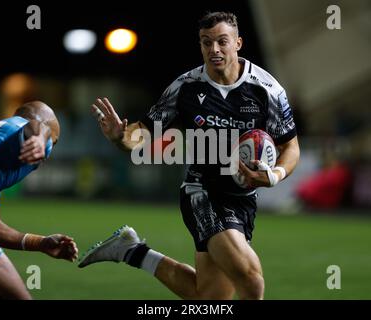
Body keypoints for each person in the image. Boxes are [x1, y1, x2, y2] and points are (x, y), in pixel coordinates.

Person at [79, 12, 300, 300]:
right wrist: (121, 136)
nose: (214, 50)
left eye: (222, 42)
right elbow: (142, 133)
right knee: (251, 281)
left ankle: (132, 251)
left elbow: (291, 146)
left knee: (209, 298)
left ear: (238, 43)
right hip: (202, 193)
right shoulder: (185, 87)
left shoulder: (266, 89)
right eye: (206, 43)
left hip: (243, 200)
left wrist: (274, 175)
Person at [0, 101, 78, 300]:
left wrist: (40, 243)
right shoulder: (16, 129)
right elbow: (35, 126)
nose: (48, 154)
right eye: (54, 143)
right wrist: (42, 138)